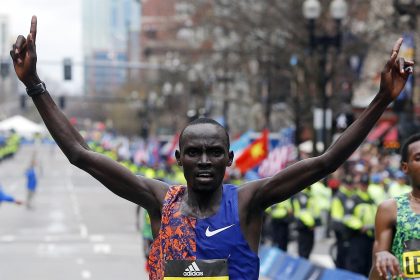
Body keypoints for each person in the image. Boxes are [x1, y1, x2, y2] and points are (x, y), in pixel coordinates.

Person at [10, 16, 413, 279]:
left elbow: (326, 161)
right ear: (179, 158)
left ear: (229, 159)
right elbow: (81, 154)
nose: (204, 161)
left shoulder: (249, 201)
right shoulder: (158, 200)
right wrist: (34, 84)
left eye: (214, 152)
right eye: (195, 152)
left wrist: (381, 100)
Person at [369, 134, 420, 280]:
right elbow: (376, 274)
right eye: (419, 158)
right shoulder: (390, 209)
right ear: (405, 167)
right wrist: (381, 258)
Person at [345, 173, 377, 276]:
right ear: (359, 184)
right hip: (358, 235)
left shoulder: (371, 199)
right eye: (363, 184)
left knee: (368, 264)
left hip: (370, 236)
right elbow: (347, 217)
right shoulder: (353, 199)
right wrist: (359, 226)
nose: (364, 186)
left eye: (366, 184)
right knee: (357, 263)